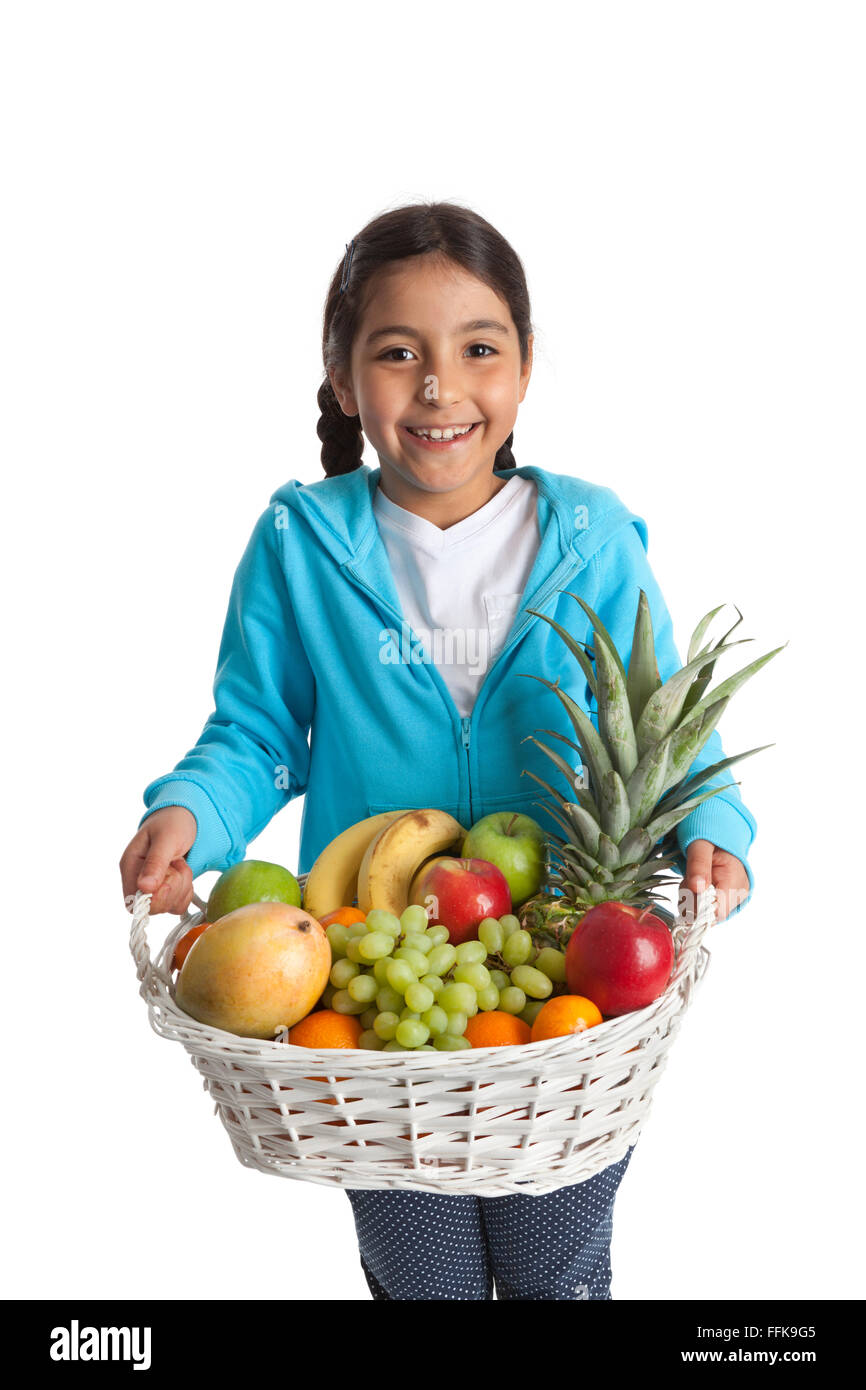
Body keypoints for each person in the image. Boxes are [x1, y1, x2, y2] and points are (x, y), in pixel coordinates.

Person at [120, 200, 755, 1300]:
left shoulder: (591, 533)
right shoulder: (299, 543)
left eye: (477, 349)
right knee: (422, 1282)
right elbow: (258, 730)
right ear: (341, 375)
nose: (438, 387)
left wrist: (713, 829)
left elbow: (665, 725)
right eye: (396, 353)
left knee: (556, 1269)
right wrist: (190, 812)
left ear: (520, 371)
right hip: (373, 992)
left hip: (574, 976)